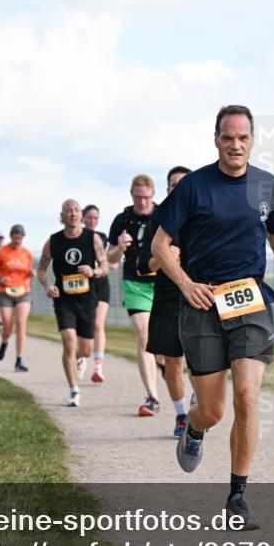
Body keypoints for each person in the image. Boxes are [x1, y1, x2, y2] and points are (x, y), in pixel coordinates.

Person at [152, 105, 274, 529]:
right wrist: (187, 284)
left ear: (253, 140)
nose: (236, 145)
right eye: (228, 137)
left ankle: (237, 497)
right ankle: (193, 426)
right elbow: (159, 245)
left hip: (250, 301)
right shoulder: (193, 187)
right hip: (203, 303)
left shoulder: (266, 185)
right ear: (216, 139)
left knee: (247, 396)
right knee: (213, 410)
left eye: (243, 137)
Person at [37, 199, 109, 407]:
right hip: (64, 300)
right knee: (69, 342)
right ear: (62, 216)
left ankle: (80, 358)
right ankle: (73, 389)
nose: (73, 214)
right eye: (69, 211)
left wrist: (93, 271)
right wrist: (48, 286)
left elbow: (104, 266)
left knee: (85, 350)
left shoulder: (92, 238)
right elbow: (41, 270)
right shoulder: (53, 241)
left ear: (81, 214)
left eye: (77, 210)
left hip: (87, 299)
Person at [142, 165, 193, 437]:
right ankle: (182, 414)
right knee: (173, 362)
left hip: (200, 297)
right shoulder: (157, 220)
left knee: (200, 362)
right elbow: (143, 264)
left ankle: (200, 400)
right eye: (175, 185)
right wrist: (161, 258)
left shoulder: (204, 217)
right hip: (167, 298)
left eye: (185, 184)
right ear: (168, 190)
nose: (180, 189)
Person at [107, 174, 163, 416]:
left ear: (153, 195)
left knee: (163, 344)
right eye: (138, 197)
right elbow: (109, 258)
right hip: (135, 282)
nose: (142, 202)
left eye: (147, 197)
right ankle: (152, 395)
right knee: (144, 334)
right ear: (132, 195)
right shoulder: (122, 219)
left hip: (162, 282)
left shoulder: (164, 215)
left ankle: (161, 363)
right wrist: (120, 246)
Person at [0, 224, 34, 371]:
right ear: (11, 237)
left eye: (20, 239)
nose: (18, 242)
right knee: (8, 326)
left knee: (21, 323)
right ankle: (4, 341)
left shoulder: (27, 253)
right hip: (5, 292)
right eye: (15, 239)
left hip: (23, 291)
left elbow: (28, 270)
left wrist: (31, 273)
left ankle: (19, 360)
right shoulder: (2, 252)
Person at [81, 204, 116, 383]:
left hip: (101, 283)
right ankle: (81, 356)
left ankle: (98, 368)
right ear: (82, 218)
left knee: (97, 324)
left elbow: (110, 258)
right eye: (89, 217)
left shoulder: (101, 237)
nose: (92, 221)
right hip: (83, 286)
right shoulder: (76, 237)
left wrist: (112, 262)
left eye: (95, 218)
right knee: (84, 325)